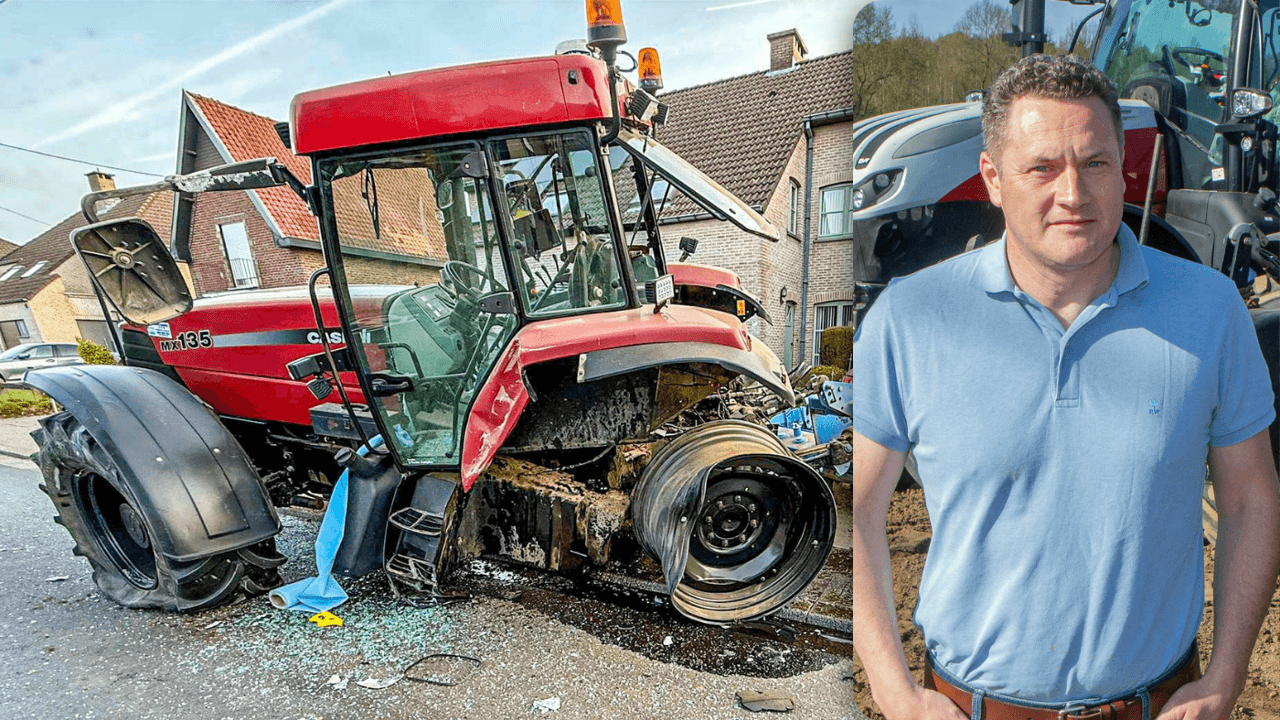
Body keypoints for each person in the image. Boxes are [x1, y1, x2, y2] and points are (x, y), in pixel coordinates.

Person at [840, 53, 1280, 720]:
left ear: (1122, 169)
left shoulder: (1210, 310)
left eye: (1096, 163)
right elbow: (859, 511)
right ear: (992, 178)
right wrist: (894, 692)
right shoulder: (911, 319)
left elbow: (1249, 499)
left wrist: (1225, 677)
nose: (1073, 194)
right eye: (1042, 167)